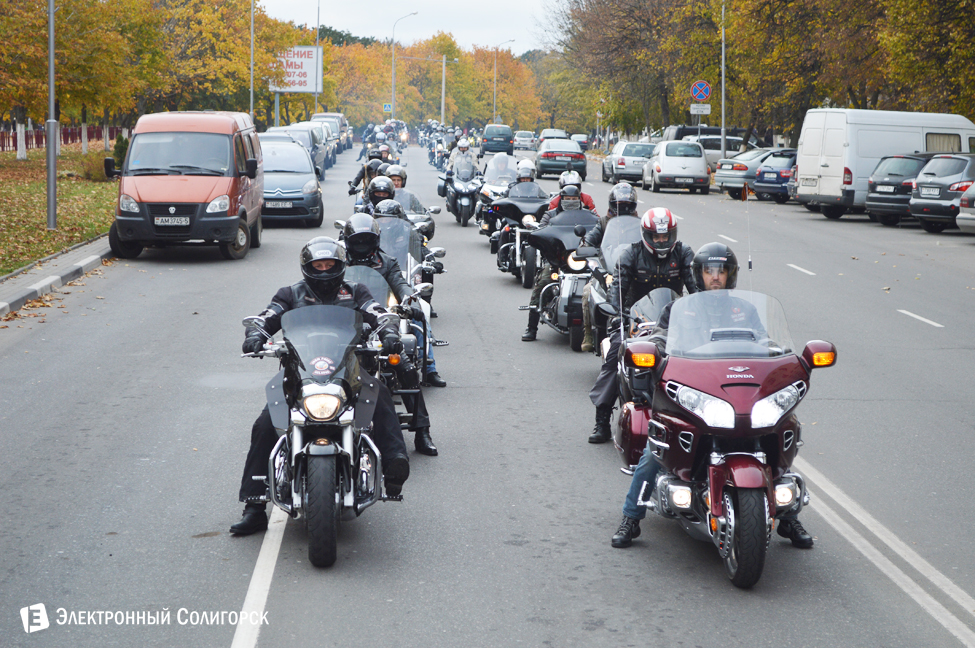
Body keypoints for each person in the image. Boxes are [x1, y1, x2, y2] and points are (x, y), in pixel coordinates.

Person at [611, 242, 815, 549]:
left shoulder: (745, 310)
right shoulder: (680, 309)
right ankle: (631, 517)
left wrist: (779, 358)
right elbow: (661, 340)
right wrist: (653, 355)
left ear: (731, 276)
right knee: (655, 450)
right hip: (697, 390)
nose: (715, 278)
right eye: (709, 271)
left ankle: (787, 517)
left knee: (773, 439)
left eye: (721, 271)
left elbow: (765, 342)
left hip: (737, 390)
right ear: (699, 275)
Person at [231, 237, 410, 536]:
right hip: (300, 373)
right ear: (307, 267)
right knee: (265, 423)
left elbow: (378, 313)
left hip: (348, 369)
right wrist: (256, 334)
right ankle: (254, 505)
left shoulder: (356, 291)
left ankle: (394, 466)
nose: (324, 270)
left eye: (330, 265)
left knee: (379, 396)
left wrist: (389, 331)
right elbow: (267, 316)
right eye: (318, 265)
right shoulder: (290, 294)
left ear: (340, 266)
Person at [588, 207, 696, 443]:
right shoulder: (631, 254)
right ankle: (602, 420)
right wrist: (616, 315)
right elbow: (618, 289)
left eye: (665, 236)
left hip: (671, 320)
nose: (661, 241)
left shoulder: (684, 253)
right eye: (656, 236)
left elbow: (696, 287)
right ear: (646, 235)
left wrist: (704, 310)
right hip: (634, 319)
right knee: (615, 357)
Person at [344, 214, 443, 454]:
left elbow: (401, 286)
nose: (362, 246)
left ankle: (422, 432)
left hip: (381, 324)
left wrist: (413, 304)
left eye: (367, 240)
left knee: (405, 367)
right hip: (345, 327)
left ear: (375, 240)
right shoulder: (339, 263)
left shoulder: (387, 263)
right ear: (347, 242)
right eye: (357, 241)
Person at [522, 185, 593, 341]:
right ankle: (531, 327)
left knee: (604, 284)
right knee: (543, 283)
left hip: (583, 260)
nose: (571, 202)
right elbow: (541, 232)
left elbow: (598, 230)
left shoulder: (588, 216)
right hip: (557, 260)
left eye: (574, 199)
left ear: (579, 200)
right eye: (568, 199)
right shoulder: (550, 216)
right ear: (562, 199)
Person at [579, 183, 639, 352]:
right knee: (587, 292)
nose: (624, 209)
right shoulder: (604, 223)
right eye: (620, 205)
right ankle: (589, 334)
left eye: (627, 205)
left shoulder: (640, 225)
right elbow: (590, 240)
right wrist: (585, 247)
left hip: (632, 272)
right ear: (613, 205)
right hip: (607, 270)